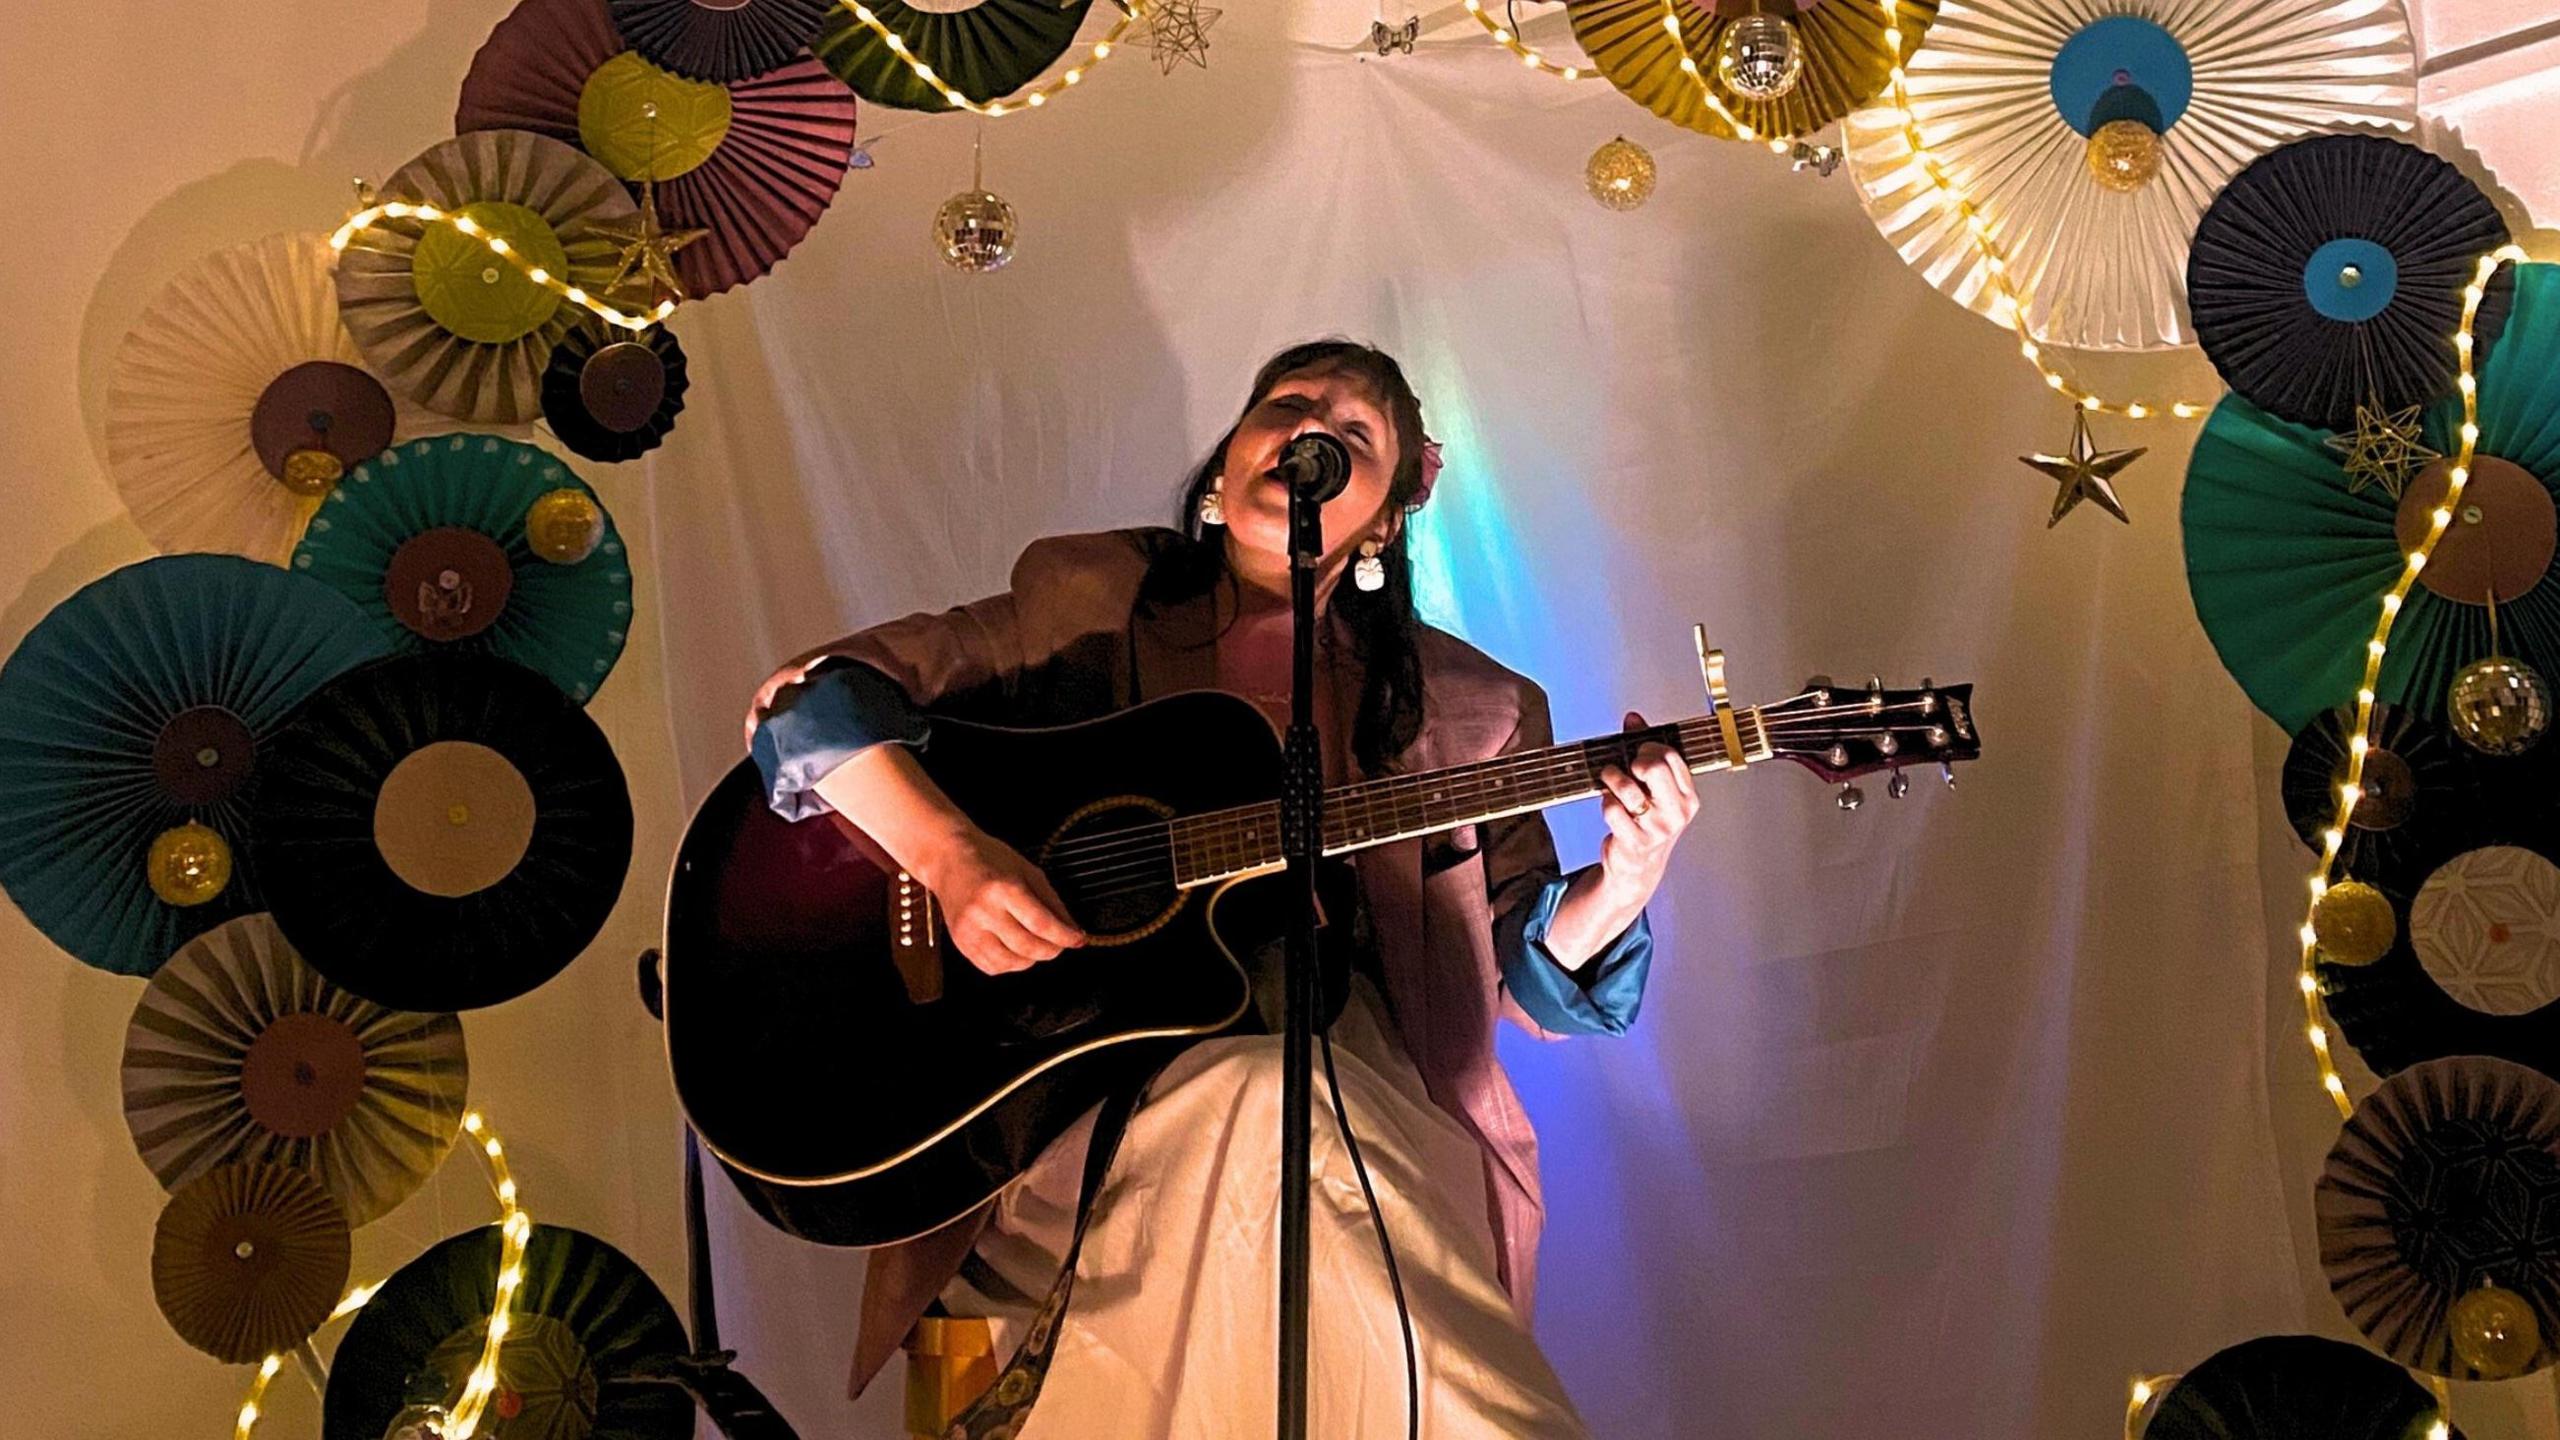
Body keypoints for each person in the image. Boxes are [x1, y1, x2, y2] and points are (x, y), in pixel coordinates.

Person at [745, 340, 1699, 1437]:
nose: (1310, 437)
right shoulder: (1084, 597)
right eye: (1288, 408)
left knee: (1277, 1105)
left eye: (1352, 439)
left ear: (1385, 517)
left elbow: (1527, 989)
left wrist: (1627, 874)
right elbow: (808, 707)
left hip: (1349, 1083)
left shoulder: (1470, 705)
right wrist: (953, 858)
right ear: (1226, 459)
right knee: (1246, 1109)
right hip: (1056, 1088)